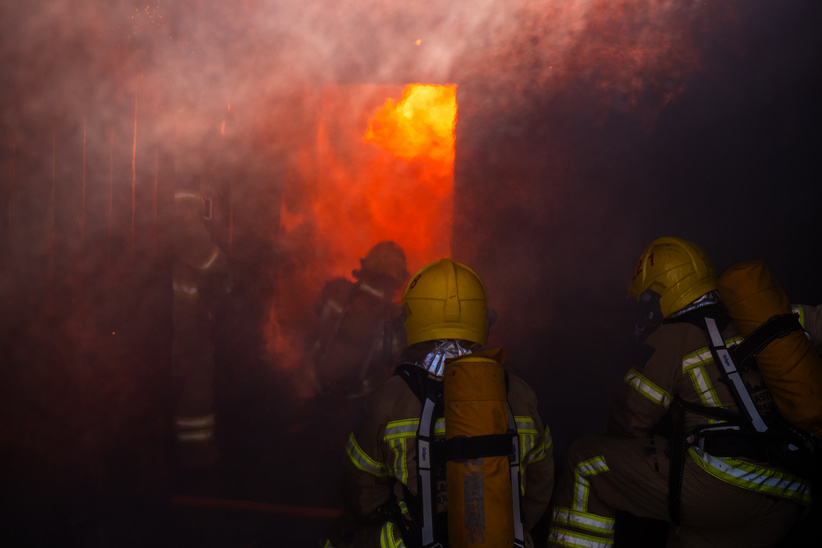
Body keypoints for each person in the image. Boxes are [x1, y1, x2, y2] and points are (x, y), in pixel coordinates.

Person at [546, 237, 821, 547]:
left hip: (724, 483)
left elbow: (627, 428)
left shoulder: (667, 341)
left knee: (585, 463)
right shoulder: (765, 319)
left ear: (661, 295)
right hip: (789, 493)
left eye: (646, 304)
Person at [324, 258, 554, 548]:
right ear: (482, 319)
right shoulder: (520, 394)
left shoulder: (387, 399)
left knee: (339, 536)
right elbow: (539, 490)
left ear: (411, 320)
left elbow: (363, 498)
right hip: (506, 543)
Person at [171, 171, 231, 480]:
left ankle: (178, 461)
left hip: (173, 335)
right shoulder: (199, 242)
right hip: (188, 337)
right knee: (194, 402)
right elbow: (215, 270)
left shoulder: (164, 235)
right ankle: (197, 464)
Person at [308, 240, 409, 400]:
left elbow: (316, 314)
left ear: (367, 263)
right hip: (358, 401)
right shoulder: (393, 316)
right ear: (398, 278)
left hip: (317, 383)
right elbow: (393, 364)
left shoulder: (336, 289)